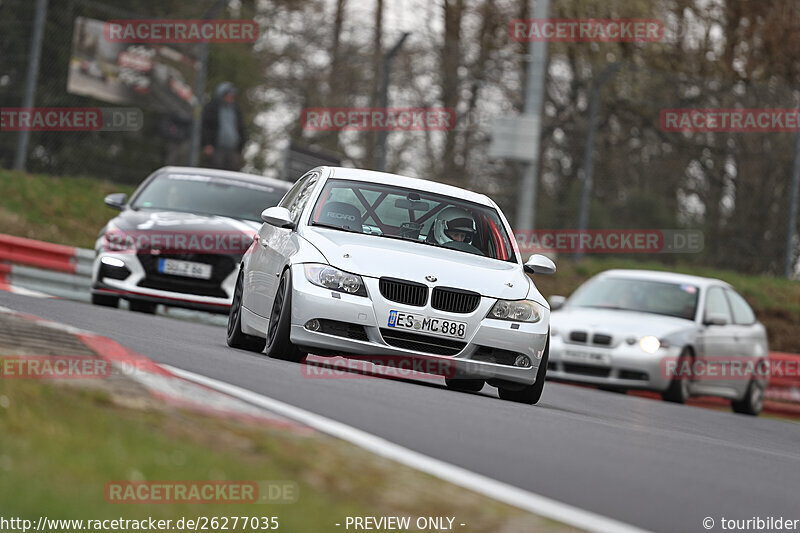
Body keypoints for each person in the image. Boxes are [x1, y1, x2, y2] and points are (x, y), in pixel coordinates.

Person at [201, 82, 247, 170]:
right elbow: (206, 127)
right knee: (216, 170)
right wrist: (207, 144)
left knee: (232, 171)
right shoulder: (212, 108)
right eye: (229, 94)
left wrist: (241, 146)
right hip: (217, 148)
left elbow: (241, 128)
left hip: (233, 149)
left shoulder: (235, 109)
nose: (231, 97)